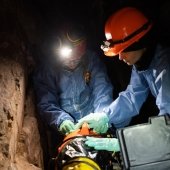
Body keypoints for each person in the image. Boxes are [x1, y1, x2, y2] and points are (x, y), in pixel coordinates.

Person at [76, 6, 170, 152]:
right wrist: (105, 116)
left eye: (123, 50)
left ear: (139, 42)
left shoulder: (165, 70)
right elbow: (132, 96)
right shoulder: (143, 63)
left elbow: (167, 127)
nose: (120, 57)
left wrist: (127, 144)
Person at [33, 22, 113, 138]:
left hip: (93, 122)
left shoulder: (91, 61)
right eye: (69, 60)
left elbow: (102, 89)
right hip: (67, 128)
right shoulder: (48, 70)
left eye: (77, 59)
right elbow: (46, 101)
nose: (72, 63)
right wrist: (60, 120)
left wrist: (101, 115)